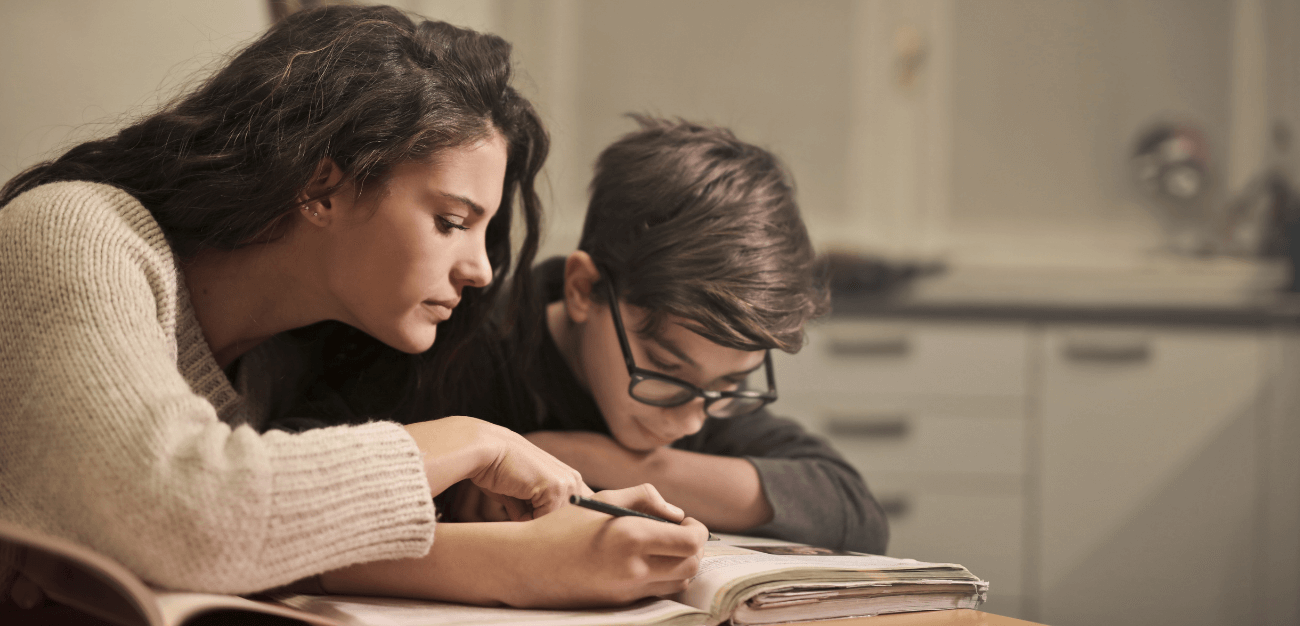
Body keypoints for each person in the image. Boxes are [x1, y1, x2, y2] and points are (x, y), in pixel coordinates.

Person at [0, 5, 705, 611]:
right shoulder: (76, 231)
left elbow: (263, 544)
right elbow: (190, 516)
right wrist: (474, 443)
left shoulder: (281, 364)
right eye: (452, 221)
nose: (482, 270)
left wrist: (537, 547)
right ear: (322, 187)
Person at [299, 116, 889, 554]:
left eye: (731, 385)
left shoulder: (703, 395)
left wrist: (601, 461)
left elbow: (852, 511)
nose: (691, 421)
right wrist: (459, 486)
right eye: (666, 371)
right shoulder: (452, 341)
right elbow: (295, 471)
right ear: (582, 289)